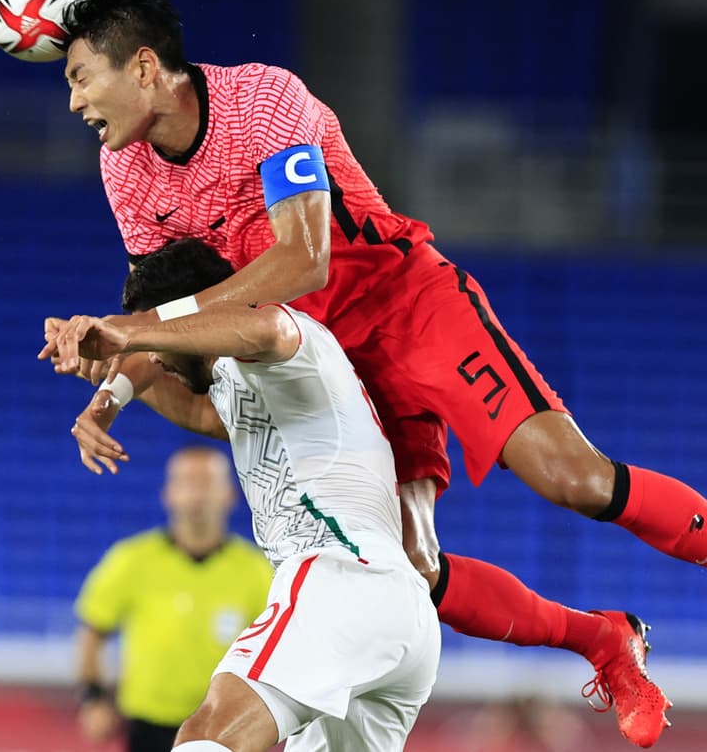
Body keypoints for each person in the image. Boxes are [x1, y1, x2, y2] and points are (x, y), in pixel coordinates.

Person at [41, 0, 707, 744]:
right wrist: (106, 392)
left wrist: (133, 335)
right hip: (326, 358)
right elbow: (159, 304)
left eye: (82, 77)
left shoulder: (263, 101)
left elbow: (305, 260)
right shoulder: (128, 174)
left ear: (145, 67)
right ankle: (603, 640)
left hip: (404, 303)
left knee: (573, 476)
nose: (75, 101)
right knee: (411, 571)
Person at [61, 238, 444, 751]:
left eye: (157, 336)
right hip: (391, 609)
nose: (151, 355)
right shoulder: (245, 384)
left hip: (340, 577)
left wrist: (126, 333)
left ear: (196, 313)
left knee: (207, 736)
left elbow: (265, 326)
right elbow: (197, 411)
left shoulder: (286, 335)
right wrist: (107, 397)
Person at [73, 445, 272, 751]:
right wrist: (93, 698)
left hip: (225, 726)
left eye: (206, 484)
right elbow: (92, 631)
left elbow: (277, 647)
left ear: (230, 495)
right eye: (187, 484)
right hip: (148, 724)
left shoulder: (257, 571)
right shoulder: (131, 560)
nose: (197, 495)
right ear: (168, 493)